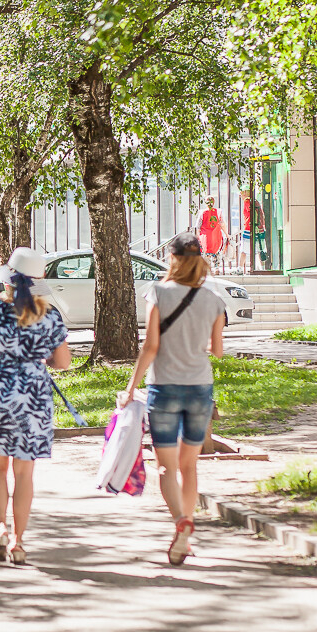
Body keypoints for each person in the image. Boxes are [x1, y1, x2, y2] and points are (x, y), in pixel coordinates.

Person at [0, 247, 71, 566]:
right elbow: (62, 362)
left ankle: (0, 529)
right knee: (24, 473)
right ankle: (19, 543)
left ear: (7, 277)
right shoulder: (47, 313)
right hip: (31, 399)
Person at [119, 232, 225, 566]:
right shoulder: (214, 299)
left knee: (165, 467)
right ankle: (184, 533)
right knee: (188, 465)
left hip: (163, 388)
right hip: (199, 388)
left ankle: (180, 521)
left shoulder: (158, 292)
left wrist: (131, 388)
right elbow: (217, 350)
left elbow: (151, 346)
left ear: (173, 258)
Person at [238, 188, 269, 271]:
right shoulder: (256, 202)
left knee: (244, 250)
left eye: (241, 193)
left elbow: (250, 213)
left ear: (245, 193)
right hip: (259, 229)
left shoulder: (247, 202)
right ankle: (261, 268)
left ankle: (240, 268)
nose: (240, 195)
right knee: (259, 249)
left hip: (249, 228)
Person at [197, 196, 226, 271]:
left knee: (206, 253)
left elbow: (198, 226)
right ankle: (216, 268)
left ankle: (208, 269)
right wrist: (226, 234)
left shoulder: (202, 212)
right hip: (216, 235)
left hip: (205, 237)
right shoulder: (218, 212)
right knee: (217, 252)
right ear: (214, 203)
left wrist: (197, 236)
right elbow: (222, 224)